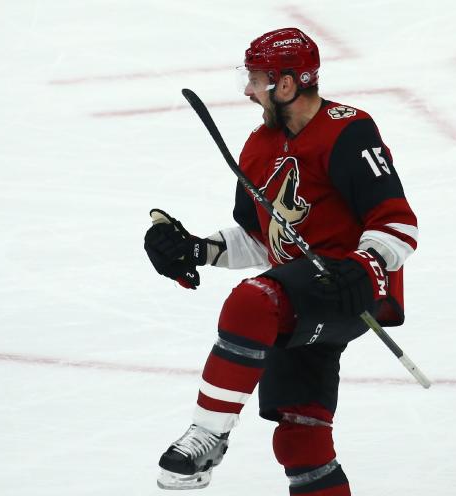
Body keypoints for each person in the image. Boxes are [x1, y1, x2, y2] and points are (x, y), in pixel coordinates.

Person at [143, 27, 419, 493]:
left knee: (253, 302)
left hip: (351, 287)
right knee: (301, 439)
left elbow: (398, 224)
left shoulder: (348, 131)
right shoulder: (258, 147)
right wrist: (198, 249)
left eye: (255, 79)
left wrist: (364, 264)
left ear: (286, 84)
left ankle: (208, 435)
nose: (249, 91)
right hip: (302, 295)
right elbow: (262, 238)